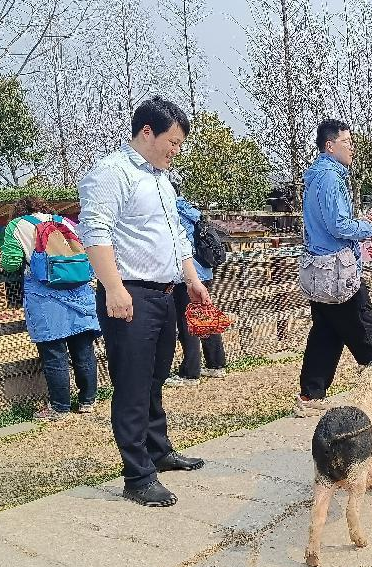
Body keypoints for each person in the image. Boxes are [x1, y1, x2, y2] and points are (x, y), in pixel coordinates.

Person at [77, 96, 209, 508]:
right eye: (172, 141)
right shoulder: (111, 173)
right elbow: (95, 231)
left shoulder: (161, 179)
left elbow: (177, 238)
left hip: (166, 294)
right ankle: (137, 475)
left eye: (180, 144)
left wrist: (192, 280)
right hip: (130, 293)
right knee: (132, 386)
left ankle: (158, 449)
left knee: (155, 379)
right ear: (147, 132)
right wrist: (113, 288)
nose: (176, 150)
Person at [295, 118, 372, 417]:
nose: (352, 148)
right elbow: (338, 225)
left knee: (326, 332)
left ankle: (310, 395)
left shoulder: (314, 178)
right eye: (347, 143)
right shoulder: (331, 178)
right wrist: (369, 229)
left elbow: (324, 224)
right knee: (366, 327)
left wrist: (360, 222)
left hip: (318, 268)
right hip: (338, 270)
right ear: (330, 145)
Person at [0, 197, 100, 420]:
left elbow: (10, 263)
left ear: (19, 211)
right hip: (79, 293)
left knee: (54, 354)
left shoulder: (17, 226)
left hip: (45, 296)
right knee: (84, 351)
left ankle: (60, 407)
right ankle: (87, 400)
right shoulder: (64, 221)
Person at [164, 192, 227, 387]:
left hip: (187, 275)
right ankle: (216, 364)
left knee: (187, 323)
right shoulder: (192, 211)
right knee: (205, 316)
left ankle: (191, 372)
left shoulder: (169, 210)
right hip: (205, 272)